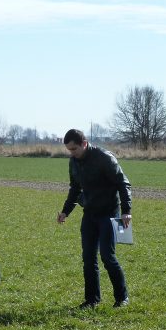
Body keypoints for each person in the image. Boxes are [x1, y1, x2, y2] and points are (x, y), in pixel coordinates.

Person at [56, 129, 132, 309]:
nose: (72, 153)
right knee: (88, 258)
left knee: (107, 256)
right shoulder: (74, 162)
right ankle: (92, 300)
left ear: (84, 143)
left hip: (109, 214)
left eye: (74, 149)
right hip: (89, 214)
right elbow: (75, 189)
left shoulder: (104, 158)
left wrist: (126, 210)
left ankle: (122, 298)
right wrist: (65, 211)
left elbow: (123, 183)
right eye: (69, 150)